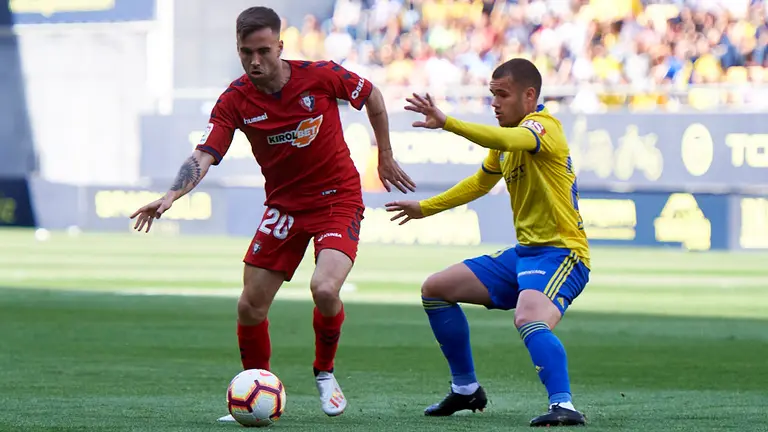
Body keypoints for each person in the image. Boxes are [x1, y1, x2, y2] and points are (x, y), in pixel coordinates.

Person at [129, 6, 415, 422]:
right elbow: (204, 153)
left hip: (337, 199)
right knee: (250, 306)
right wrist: (172, 194)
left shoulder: (319, 75)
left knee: (325, 289)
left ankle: (324, 371)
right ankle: (255, 388)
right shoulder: (235, 99)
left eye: (264, 51)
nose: (255, 61)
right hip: (284, 207)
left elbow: (371, 94)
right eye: (247, 52)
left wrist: (384, 155)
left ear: (280, 46)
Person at [385, 58, 589, 427]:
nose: (495, 103)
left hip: (562, 253)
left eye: (502, 95)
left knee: (528, 317)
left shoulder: (543, 128)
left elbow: (507, 138)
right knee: (435, 289)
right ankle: (465, 389)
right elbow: (480, 183)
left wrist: (448, 122)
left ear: (530, 96)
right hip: (525, 253)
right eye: (492, 95)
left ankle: (564, 406)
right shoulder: (507, 139)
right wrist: (425, 208)